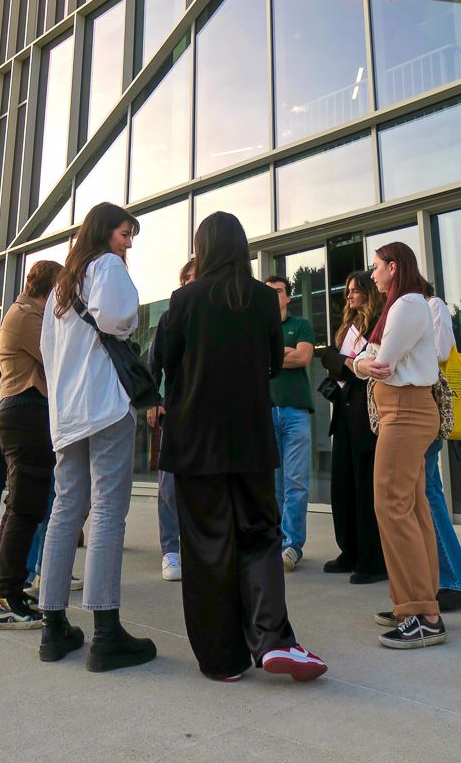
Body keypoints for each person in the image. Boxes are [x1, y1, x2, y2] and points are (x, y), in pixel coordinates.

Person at [161, 211, 327, 683]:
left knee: (207, 545)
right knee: (260, 535)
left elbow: (166, 359)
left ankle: (222, 660)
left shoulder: (184, 299)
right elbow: (275, 362)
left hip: (195, 441)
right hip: (251, 437)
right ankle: (273, 638)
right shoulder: (261, 300)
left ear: (203, 248)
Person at [37, 203, 156, 672]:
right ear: (106, 231)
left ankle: (53, 626)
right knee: (108, 510)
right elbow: (119, 318)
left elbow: (49, 353)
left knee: (66, 511)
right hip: (105, 405)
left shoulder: (61, 289)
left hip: (68, 413)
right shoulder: (108, 267)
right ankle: (106, 633)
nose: (129, 242)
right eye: (126, 233)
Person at [353, 242, 447, 650]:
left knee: (391, 504)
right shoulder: (401, 305)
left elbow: (379, 363)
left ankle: (421, 612)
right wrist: (360, 362)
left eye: (376, 268)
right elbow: (364, 358)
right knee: (411, 506)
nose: (372, 276)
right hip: (404, 409)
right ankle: (418, 603)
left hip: (405, 409)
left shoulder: (408, 304)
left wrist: (358, 363)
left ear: (393, 267)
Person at [0, 260, 63, 630]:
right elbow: (55, 356)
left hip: (27, 413)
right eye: (60, 288)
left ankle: (12, 592)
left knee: (25, 508)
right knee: (24, 510)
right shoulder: (25, 314)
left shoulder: (28, 311)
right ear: (48, 286)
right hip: (24, 412)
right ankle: (8, 598)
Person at [320, 271, 387, 584]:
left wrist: (345, 362)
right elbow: (329, 357)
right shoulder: (348, 325)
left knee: (365, 485)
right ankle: (349, 550)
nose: (348, 295)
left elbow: (367, 365)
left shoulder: (379, 323)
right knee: (343, 483)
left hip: (365, 411)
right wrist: (347, 362)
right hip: (344, 410)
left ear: (368, 292)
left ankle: (371, 559)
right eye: (346, 290)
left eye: (354, 290)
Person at [424, 283, 461, 612]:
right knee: (429, 489)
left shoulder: (434, 305)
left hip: (430, 407)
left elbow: (442, 351)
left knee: (429, 492)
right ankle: (453, 579)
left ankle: (456, 581)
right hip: (422, 407)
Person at [147, 257, 196, 582]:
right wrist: (153, 402)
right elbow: (153, 364)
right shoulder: (169, 317)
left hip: (210, 415)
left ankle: (197, 549)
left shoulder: (218, 317)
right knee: (169, 486)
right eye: (191, 277)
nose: (196, 281)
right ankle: (171, 551)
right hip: (175, 411)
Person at [264, 275, 315, 572]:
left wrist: (273, 355)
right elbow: (256, 360)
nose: (273, 296)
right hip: (266, 411)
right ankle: (276, 540)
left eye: (278, 292)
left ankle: (292, 545)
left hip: (295, 413)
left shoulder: (301, 324)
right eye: (268, 292)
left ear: (288, 297)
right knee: (273, 484)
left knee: (295, 483)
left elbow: (303, 357)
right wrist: (284, 352)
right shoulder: (258, 327)